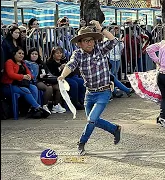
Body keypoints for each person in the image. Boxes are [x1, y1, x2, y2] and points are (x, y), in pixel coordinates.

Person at [58, 21, 121, 155]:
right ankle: (114, 129)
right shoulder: (78, 54)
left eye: (91, 40)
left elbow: (114, 41)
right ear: (79, 43)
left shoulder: (100, 48)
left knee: (91, 119)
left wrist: (101, 29)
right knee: (93, 121)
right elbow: (70, 65)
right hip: (89, 93)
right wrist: (62, 76)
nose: (89, 43)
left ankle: (81, 142)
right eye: (86, 41)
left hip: (104, 92)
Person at [1, 47, 50, 118]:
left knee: (33, 87)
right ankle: (37, 107)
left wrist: (28, 76)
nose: (21, 55)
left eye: (23, 54)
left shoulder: (22, 63)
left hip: (20, 84)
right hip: (9, 86)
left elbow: (29, 73)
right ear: (14, 54)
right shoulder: (9, 62)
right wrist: (23, 77)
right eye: (19, 53)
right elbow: (10, 74)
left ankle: (32, 109)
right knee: (26, 90)